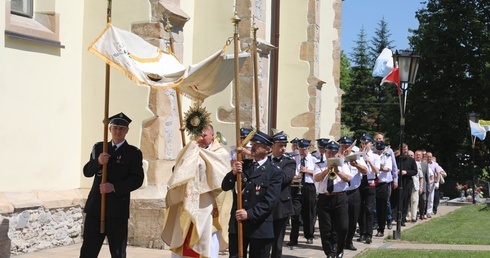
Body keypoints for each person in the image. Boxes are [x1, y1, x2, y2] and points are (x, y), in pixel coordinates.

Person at [80, 112, 145, 258]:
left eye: (121, 128)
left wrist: (114, 187)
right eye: (115, 128)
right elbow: (87, 172)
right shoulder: (99, 148)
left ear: (127, 131)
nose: (118, 131)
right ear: (109, 129)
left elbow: (137, 179)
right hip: (96, 208)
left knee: (118, 252)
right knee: (88, 251)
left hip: (117, 210)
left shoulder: (133, 153)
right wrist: (98, 162)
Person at [161, 124, 231, 258]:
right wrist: (187, 158)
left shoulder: (220, 153)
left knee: (205, 238)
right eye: (198, 135)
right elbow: (178, 171)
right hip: (188, 199)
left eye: (204, 135)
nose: (201, 138)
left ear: (212, 135)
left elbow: (221, 178)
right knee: (183, 236)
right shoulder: (190, 149)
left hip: (207, 202)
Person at [222, 130, 282, 258]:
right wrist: (233, 173)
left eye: (257, 145)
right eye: (253, 144)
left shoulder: (274, 172)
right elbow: (225, 186)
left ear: (267, 149)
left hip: (259, 227)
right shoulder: (244, 166)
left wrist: (249, 214)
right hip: (238, 225)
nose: (252, 147)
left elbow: (269, 201)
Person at [314, 141, 352, 258]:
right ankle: (329, 252)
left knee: (342, 226)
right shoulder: (319, 164)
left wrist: (338, 171)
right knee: (326, 228)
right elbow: (316, 178)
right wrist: (327, 170)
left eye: (334, 153)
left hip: (339, 197)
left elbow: (348, 178)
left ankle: (339, 248)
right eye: (329, 152)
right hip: (324, 197)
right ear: (325, 152)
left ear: (337, 153)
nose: (331, 155)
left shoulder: (343, 164)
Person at [270, 131, 296, 258]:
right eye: (280, 145)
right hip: (264, 204)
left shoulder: (289, 162)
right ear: (272, 146)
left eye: (285, 145)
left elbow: (285, 178)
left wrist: (267, 172)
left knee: (277, 240)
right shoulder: (266, 159)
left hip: (281, 205)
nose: (283, 148)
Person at [339, 136, 367, 252]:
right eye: (343, 146)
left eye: (347, 146)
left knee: (353, 219)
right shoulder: (336, 157)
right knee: (341, 220)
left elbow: (365, 171)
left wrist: (356, 165)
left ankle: (348, 242)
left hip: (354, 192)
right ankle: (339, 242)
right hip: (341, 193)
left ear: (351, 146)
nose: (345, 148)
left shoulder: (357, 157)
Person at [288, 139, 318, 246]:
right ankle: (293, 238)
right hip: (296, 186)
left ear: (308, 148)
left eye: (303, 150)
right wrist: (294, 177)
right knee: (295, 214)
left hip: (308, 187)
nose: (301, 152)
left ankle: (309, 235)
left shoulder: (314, 159)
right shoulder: (294, 159)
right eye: (300, 149)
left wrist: (307, 171)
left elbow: (319, 174)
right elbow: (290, 171)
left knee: (308, 213)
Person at [357, 134, 379, 244]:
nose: (364, 145)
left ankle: (369, 234)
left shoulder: (375, 156)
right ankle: (362, 232)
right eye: (363, 143)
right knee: (360, 210)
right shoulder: (358, 155)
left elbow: (376, 171)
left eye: (366, 143)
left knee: (369, 209)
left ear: (371, 144)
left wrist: (369, 160)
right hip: (360, 183)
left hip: (370, 183)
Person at [373, 132, 398, 229]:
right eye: (377, 139)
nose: (379, 140)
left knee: (386, 201)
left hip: (386, 180)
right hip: (375, 180)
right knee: (375, 202)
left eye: (380, 139)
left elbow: (394, 166)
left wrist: (395, 179)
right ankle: (376, 221)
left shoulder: (389, 151)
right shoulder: (372, 150)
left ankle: (388, 219)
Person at [391, 143, 417, 227]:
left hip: (407, 182)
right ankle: (395, 217)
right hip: (398, 182)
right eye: (403, 149)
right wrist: (396, 171)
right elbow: (392, 169)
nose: (405, 151)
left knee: (405, 201)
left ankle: (402, 219)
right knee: (396, 200)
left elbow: (415, 171)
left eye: (406, 149)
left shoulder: (411, 160)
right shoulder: (396, 159)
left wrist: (406, 172)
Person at [373, 141, 392, 237]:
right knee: (369, 207)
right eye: (378, 149)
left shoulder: (387, 156)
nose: (379, 151)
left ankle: (381, 229)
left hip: (382, 184)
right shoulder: (372, 155)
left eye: (381, 149)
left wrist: (377, 166)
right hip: (372, 183)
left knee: (381, 208)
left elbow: (387, 168)